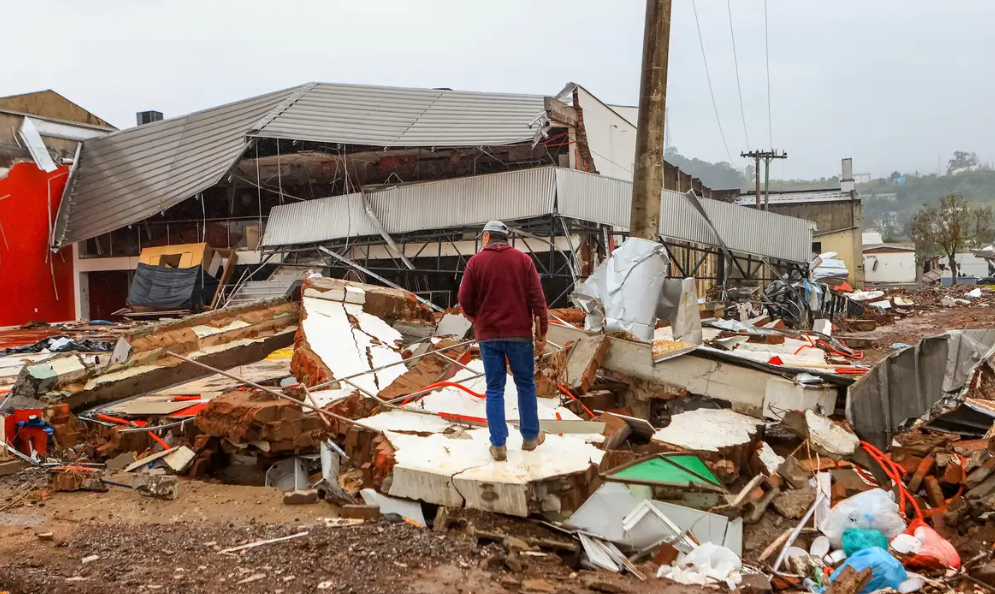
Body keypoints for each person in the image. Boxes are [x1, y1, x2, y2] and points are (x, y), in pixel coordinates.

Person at [457, 220, 548, 462]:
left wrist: (478, 320)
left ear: (486, 237)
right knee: (525, 384)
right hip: (519, 335)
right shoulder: (523, 261)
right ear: (505, 238)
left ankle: (498, 445)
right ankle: (530, 438)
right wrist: (543, 334)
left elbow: (463, 299)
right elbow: (538, 301)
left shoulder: (475, 263)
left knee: (494, 388)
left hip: (489, 337)